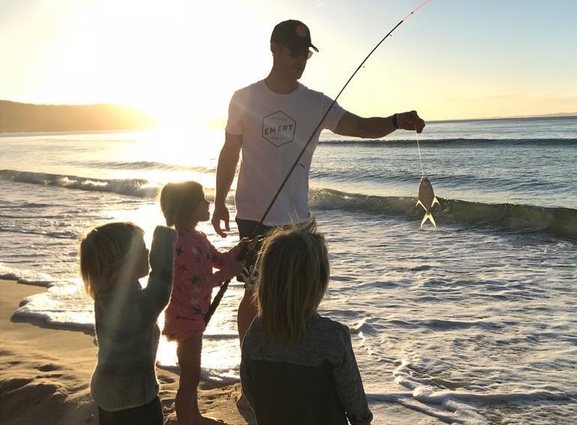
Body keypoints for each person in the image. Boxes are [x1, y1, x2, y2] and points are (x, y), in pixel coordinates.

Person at [210, 20, 426, 409]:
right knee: (254, 295)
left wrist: (395, 121)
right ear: (274, 48)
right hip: (254, 215)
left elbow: (359, 127)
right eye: (294, 50)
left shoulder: (315, 102)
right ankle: (252, 380)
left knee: (301, 300)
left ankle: (290, 368)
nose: (301, 58)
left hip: (298, 219)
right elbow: (229, 152)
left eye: (306, 52)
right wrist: (219, 201)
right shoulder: (243, 98)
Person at [240, 220, 373, 425]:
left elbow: (250, 388)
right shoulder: (333, 337)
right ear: (318, 282)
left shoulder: (256, 330)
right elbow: (355, 405)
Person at [159, 181, 246, 425]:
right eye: (202, 200)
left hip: (194, 315)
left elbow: (218, 259)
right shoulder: (182, 243)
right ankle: (189, 418)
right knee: (190, 374)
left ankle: (190, 415)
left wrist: (240, 249)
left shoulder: (198, 237)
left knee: (191, 372)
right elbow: (198, 283)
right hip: (184, 317)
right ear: (188, 207)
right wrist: (229, 272)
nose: (208, 203)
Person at [80, 222, 177, 425]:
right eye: (142, 249)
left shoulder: (107, 292)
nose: (148, 252)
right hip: (132, 398)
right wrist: (165, 238)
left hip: (108, 391)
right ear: (125, 261)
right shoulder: (129, 301)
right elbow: (160, 288)